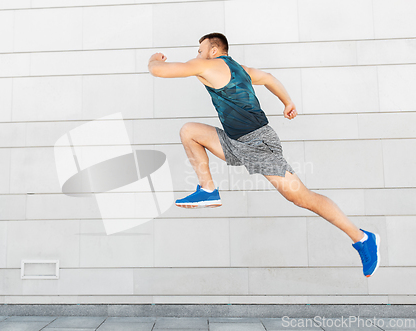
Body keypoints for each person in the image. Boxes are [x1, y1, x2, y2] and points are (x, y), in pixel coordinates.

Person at [147, 32, 380, 278]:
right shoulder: (240, 69)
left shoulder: (206, 65)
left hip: (258, 143)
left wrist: (153, 60)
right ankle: (207, 189)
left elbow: (159, 71)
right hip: (235, 141)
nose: (197, 54)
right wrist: (287, 101)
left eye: (200, 49)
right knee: (189, 132)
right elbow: (268, 78)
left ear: (214, 50)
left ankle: (363, 238)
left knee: (302, 198)